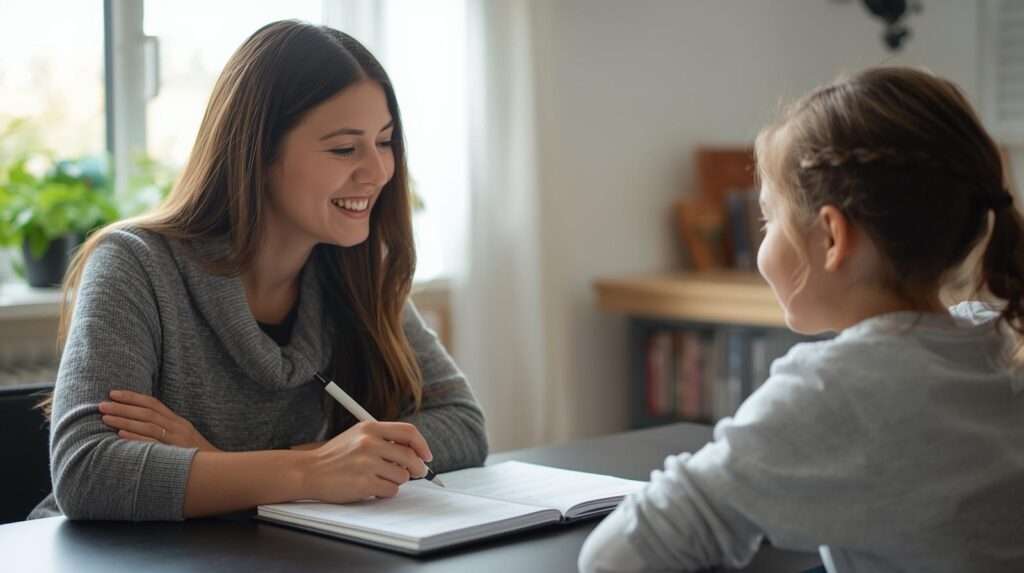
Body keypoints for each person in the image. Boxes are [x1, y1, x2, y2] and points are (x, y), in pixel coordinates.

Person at [29, 20, 487, 521]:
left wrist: (226, 465)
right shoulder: (134, 264)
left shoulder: (357, 272)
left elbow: (462, 425)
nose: (378, 171)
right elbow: (87, 473)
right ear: (259, 152)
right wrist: (313, 474)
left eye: (384, 141)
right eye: (343, 148)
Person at [579, 67, 1024, 572]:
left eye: (770, 220)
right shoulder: (998, 335)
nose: (766, 240)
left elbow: (616, 557)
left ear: (832, 238)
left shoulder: (839, 389)